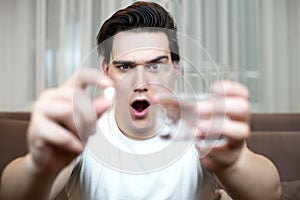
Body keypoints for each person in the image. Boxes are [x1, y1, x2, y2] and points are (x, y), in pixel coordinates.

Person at [0, 1, 281, 200]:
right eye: (125, 67)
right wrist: (39, 166)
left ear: (176, 70)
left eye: (156, 65)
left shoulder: (202, 130)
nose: (141, 83)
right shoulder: (81, 131)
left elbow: (269, 193)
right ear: (105, 71)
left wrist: (233, 163)